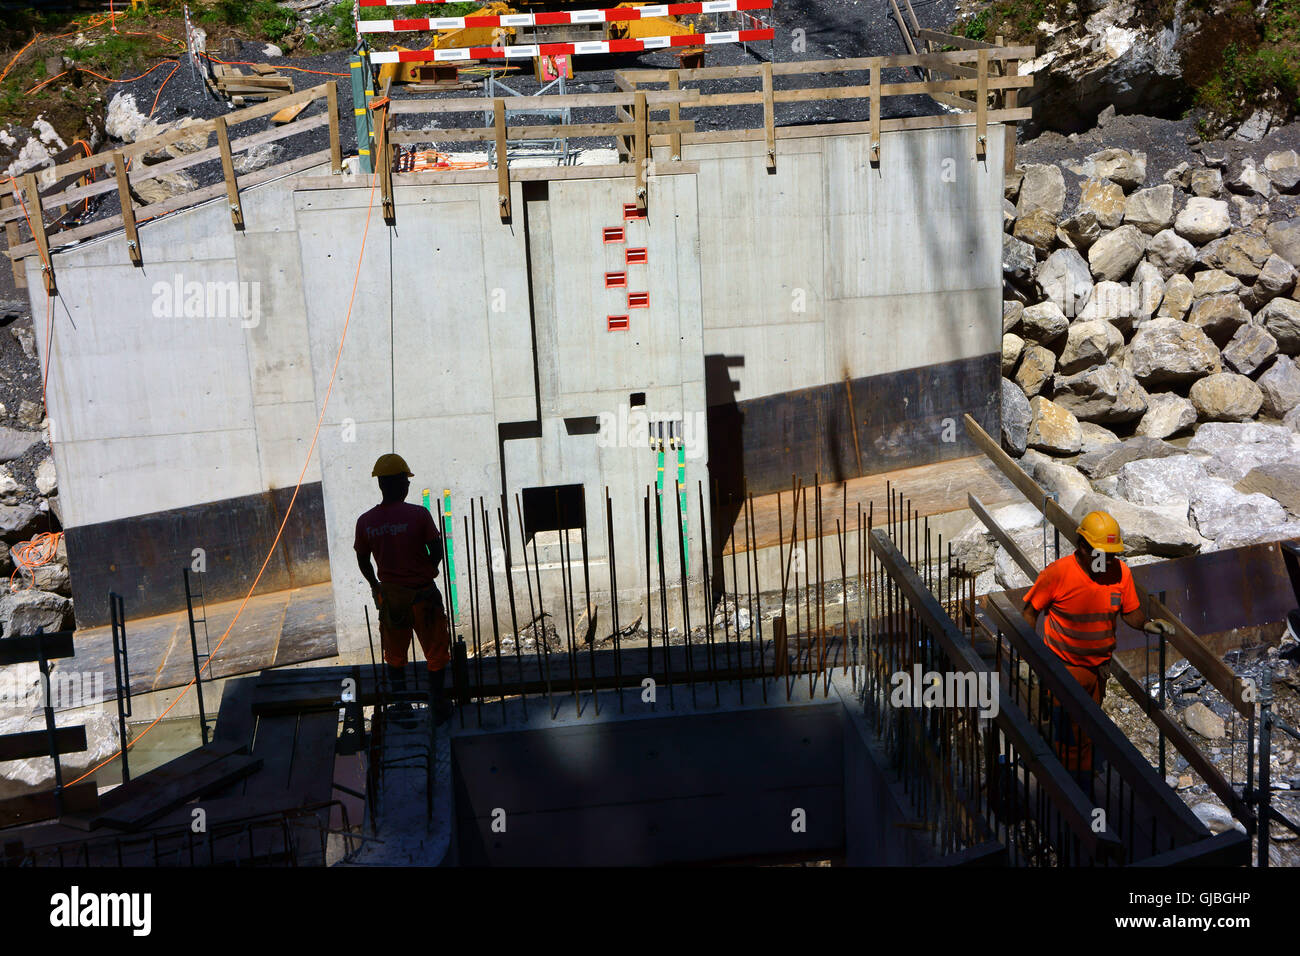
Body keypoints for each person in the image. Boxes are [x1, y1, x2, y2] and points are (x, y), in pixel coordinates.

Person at [1021, 510, 1173, 785]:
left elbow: (1130, 612)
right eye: (1103, 554)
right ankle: (1073, 787)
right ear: (1082, 547)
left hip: (1098, 668)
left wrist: (1147, 624)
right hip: (1063, 666)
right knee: (1070, 729)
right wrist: (1029, 654)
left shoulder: (1120, 573)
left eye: (1114, 555)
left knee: (1089, 725)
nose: (1109, 560)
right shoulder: (1058, 574)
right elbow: (1030, 612)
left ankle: (1079, 778)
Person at [355, 453, 454, 724]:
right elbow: (437, 550)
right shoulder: (419, 515)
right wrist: (427, 570)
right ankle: (437, 707)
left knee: (395, 655)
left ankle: (400, 706)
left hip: (392, 598)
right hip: (423, 594)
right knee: (435, 652)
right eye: (406, 481)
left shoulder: (366, 522)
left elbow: (362, 559)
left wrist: (376, 585)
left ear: (380, 485)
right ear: (402, 484)